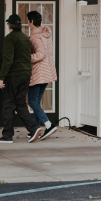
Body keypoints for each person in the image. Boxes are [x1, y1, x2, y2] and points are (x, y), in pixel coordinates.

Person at [0, 13, 45, 144]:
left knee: (8, 105)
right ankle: (34, 128)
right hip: (26, 75)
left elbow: (7, 60)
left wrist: (1, 78)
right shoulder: (25, 38)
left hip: (14, 76)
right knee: (20, 104)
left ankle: (7, 136)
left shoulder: (9, 39)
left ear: (9, 25)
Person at [27, 10, 59, 140]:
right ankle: (35, 129)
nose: (28, 23)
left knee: (32, 101)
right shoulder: (46, 35)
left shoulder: (35, 37)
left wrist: (25, 57)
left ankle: (48, 124)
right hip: (48, 71)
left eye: (28, 21)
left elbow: (40, 55)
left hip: (39, 72)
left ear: (32, 22)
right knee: (36, 102)